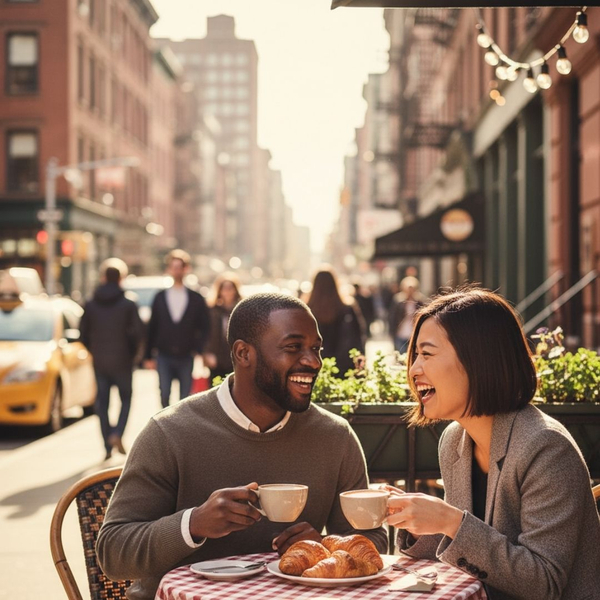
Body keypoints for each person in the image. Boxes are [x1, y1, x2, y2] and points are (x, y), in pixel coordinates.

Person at [97, 293, 388, 599]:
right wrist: (193, 524)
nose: (313, 362)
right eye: (293, 348)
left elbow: (372, 540)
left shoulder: (335, 437)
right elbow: (113, 553)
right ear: (243, 353)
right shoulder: (169, 432)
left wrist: (327, 545)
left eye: (316, 349)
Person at [385, 287, 600, 600]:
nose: (414, 369)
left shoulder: (546, 447)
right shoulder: (455, 440)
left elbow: (544, 583)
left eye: (427, 354)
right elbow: (469, 549)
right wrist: (420, 523)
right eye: (415, 355)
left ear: (477, 361)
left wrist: (450, 520)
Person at [80, 258, 143, 460]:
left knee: (102, 404)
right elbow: (139, 333)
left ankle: (107, 445)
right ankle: (117, 433)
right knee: (125, 399)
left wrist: (95, 350)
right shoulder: (128, 303)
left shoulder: (90, 303)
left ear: (103, 277)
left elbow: (83, 334)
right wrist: (133, 355)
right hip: (123, 361)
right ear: (121, 278)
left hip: (100, 361)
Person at [143, 249, 210, 408]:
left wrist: (199, 349)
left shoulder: (196, 298)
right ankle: (167, 428)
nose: (176, 270)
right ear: (169, 269)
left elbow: (205, 326)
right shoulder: (160, 297)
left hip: (186, 355)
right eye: (173, 267)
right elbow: (152, 327)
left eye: (180, 267)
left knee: (185, 398)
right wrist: (147, 356)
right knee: (164, 393)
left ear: (186, 269)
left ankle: (181, 431)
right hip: (164, 355)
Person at [306, 266, 366, 376]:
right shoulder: (347, 308)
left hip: (314, 365)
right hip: (344, 366)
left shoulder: (306, 311)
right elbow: (359, 337)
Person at [203, 272, 243, 381]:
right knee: (216, 390)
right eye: (224, 288)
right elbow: (205, 334)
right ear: (219, 290)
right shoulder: (212, 311)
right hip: (216, 359)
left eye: (230, 288)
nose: (227, 292)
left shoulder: (241, 311)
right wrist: (207, 354)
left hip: (236, 360)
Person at [388, 275, 426, 354]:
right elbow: (393, 317)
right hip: (401, 332)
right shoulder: (398, 300)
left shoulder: (419, 301)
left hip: (413, 332)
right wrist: (392, 332)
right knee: (401, 354)